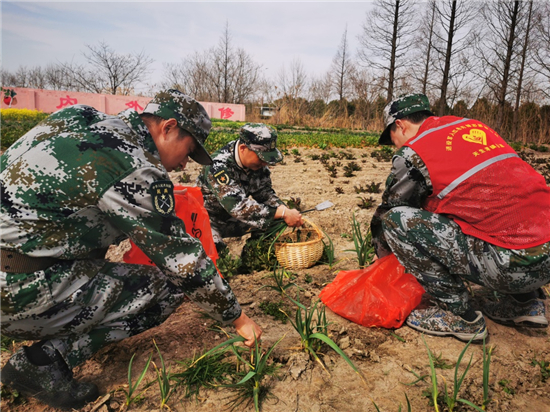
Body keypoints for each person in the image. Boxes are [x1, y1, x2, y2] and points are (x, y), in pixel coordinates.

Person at [0, 89, 262, 410]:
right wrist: (237, 318)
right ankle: (44, 361)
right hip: (18, 292)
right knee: (169, 288)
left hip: (18, 265)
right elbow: (181, 260)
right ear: (167, 128)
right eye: (188, 151)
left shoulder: (78, 117)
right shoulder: (134, 166)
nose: (182, 165)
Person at [371, 93, 550, 342]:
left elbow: (393, 208)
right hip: (545, 254)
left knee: (396, 221)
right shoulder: (473, 127)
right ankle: (527, 303)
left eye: (392, 138)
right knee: (489, 210)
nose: (397, 146)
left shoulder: (414, 152)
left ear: (399, 125)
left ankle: (460, 316)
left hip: (510, 263)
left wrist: (382, 258)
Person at [196, 123, 303, 258]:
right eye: (261, 158)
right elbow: (237, 207)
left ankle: (251, 259)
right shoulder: (217, 166)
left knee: (275, 221)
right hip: (208, 220)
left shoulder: (257, 166)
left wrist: (284, 210)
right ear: (242, 149)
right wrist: (281, 212)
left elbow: (265, 193)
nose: (264, 163)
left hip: (232, 219)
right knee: (219, 260)